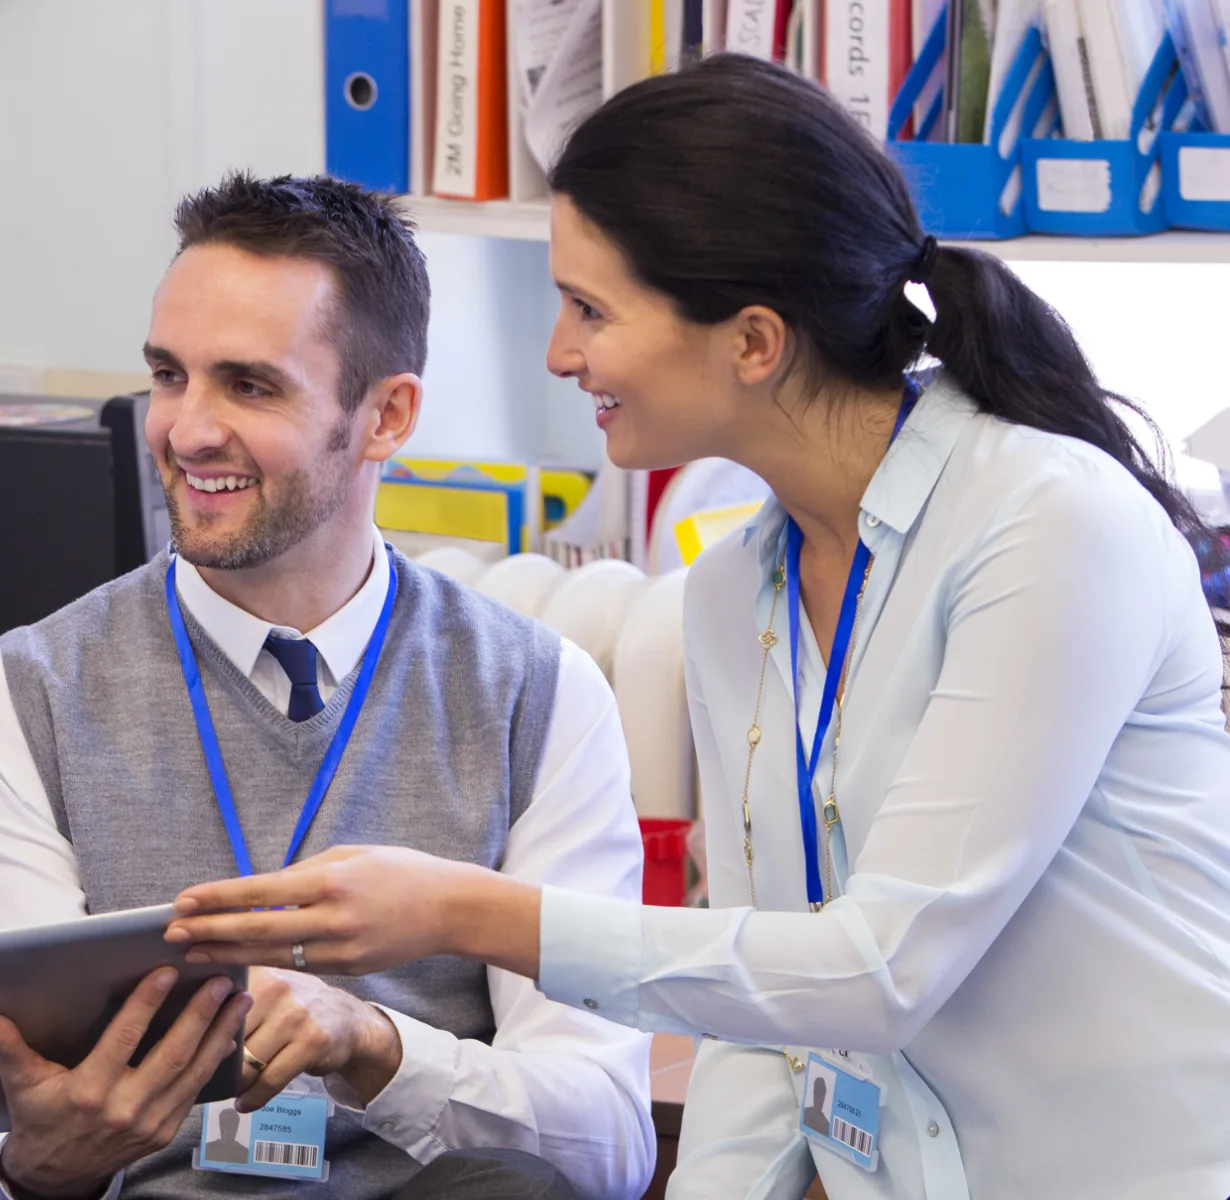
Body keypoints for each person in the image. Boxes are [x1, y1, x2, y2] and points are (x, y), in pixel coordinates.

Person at [164, 57, 1230, 1200]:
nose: (558, 354)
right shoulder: (734, 593)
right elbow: (758, 1019)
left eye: (590, 309)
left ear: (755, 341)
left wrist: (461, 911)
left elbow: (877, 970)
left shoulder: (1049, 526)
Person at [0, 174, 653, 1200]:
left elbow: (606, 1145)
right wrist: (36, 1169)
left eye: (249, 386)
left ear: (387, 415)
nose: (186, 431)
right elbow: (28, 1118)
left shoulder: (538, 694)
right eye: (171, 376)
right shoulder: (29, 692)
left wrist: (375, 1045)